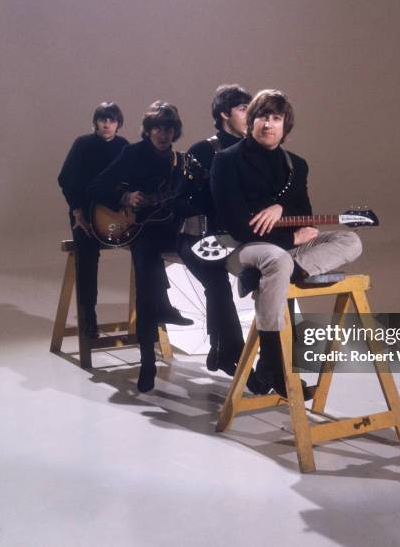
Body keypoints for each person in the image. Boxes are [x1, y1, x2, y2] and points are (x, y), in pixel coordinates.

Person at [210, 89, 363, 396]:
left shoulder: (296, 165)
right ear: (252, 121)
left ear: (285, 126)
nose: (268, 124)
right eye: (262, 117)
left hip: (282, 250)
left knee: (351, 240)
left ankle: (275, 276)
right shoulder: (227, 161)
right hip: (242, 248)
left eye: (276, 118)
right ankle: (277, 367)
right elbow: (237, 225)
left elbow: (304, 214)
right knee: (277, 260)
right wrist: (290, 237)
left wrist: (282, 209)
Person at [87, 101, 193, 393]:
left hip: (168, 229)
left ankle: (170, 309)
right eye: (157, 127)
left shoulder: (180, 162)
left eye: (168, 128)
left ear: (175, 132)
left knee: (197, 250)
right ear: (148, 130)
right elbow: (97, 186)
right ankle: (148, 360)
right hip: (136, 229)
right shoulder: (133, 153)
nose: (163, 133)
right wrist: (126, 197)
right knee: (146, 281)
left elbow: (183, 201)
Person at [177, 84, 254, 378]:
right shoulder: (203, 150)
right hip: (196, 236)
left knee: (269, 273)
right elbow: (179, 202)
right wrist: (212, 195)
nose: (250, 115)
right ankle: (232, 353)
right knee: (217, 280)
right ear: (224, 113)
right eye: (243, 109)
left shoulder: (252, 151)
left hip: (235, 238)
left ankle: (224, 351)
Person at [57, 102, 129, 338]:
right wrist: (77, 212)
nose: (107, 124)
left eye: (112, 120)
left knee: (148, 245)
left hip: (117, 212)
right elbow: (66, 178)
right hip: (84, 212)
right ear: (95, 122)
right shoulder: (83, 144)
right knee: (87, 254)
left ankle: (153, 312)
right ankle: (88, 315)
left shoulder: (123, 146)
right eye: (102, 120)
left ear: (118, 124)